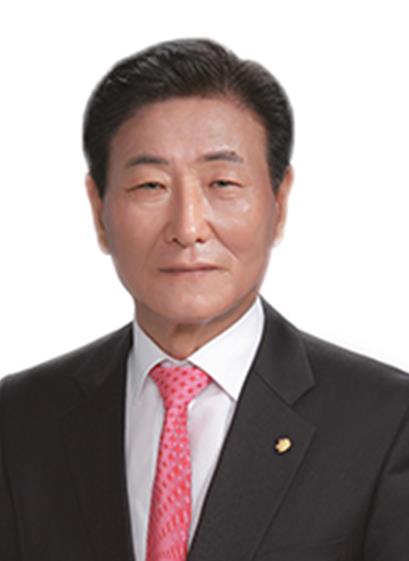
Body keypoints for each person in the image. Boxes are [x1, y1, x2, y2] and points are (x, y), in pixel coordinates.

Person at [1, 38, 408, 561]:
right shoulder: (21, 418)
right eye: (150, 186)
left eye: (222, 182)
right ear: (99, 210)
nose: (188, 227)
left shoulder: (386, 422)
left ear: (279, 203)